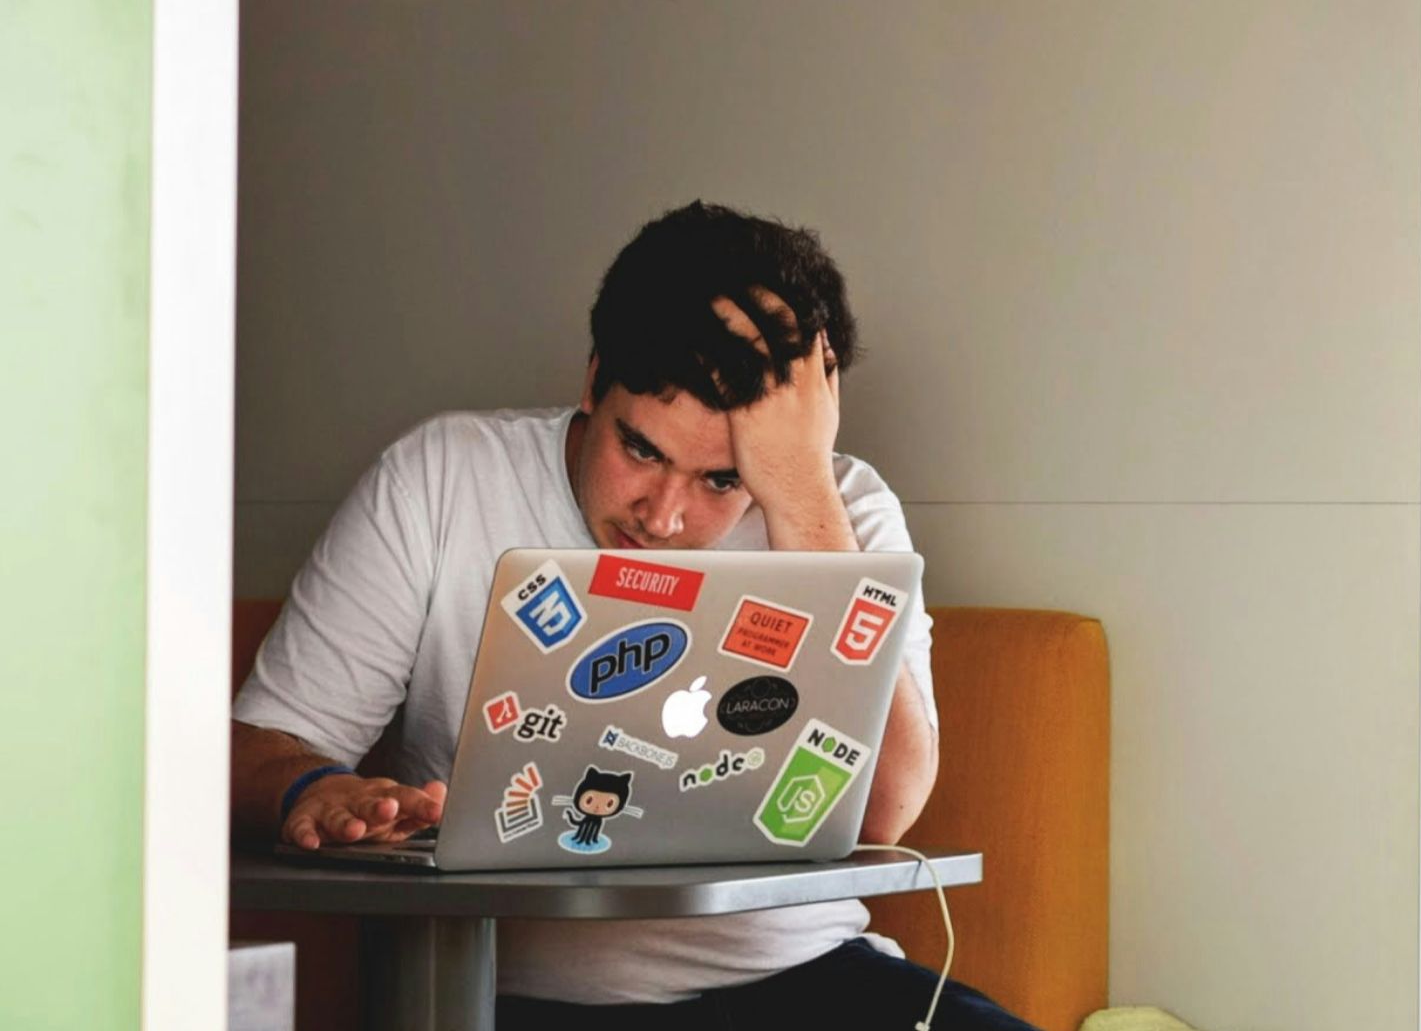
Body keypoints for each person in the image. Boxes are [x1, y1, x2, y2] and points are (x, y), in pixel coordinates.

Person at [229, 201, 1038, 1029]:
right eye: (641, 450)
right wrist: (316, 789)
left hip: (801, 977)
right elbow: (253, 747)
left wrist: (798, 490)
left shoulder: (843, 508)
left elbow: (887, 810)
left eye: (722, 480)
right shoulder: (442, 479)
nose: (662, 516)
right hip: (505, 998)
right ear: (592, 379)